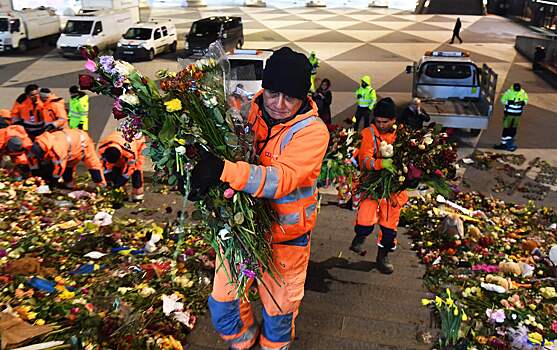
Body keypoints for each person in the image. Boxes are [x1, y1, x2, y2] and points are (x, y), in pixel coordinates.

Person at [188, 47, 329, 350]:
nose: (279, 104)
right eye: (273, 93)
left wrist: (222, 170)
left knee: (279, 313)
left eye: (290, 97)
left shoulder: (312, 132)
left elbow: (280, 179)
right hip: (241, 231)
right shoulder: (246, 111)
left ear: (304, 97)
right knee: (223, 306)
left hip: (287, 239)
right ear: (264, 87)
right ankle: (243, 342)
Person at [349, 97, 408, 274]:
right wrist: (381, 165)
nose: (381, 125)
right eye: (378, 121)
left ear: (393, 120)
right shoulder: (368, 133)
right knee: (365, 220)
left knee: (389, 228)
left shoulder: (402, 135)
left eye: (385, 122)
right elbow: (365, 159)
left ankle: (383, 256)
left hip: (393, 190)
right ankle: (360, 237)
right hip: (371, 186)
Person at [27, 129, 105, 189]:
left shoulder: (58, 150)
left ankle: (102, 186)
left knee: (94, 167)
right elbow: (32, 158)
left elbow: (60, 168)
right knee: (66, 170)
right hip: (70, 144)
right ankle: (69, 184)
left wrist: (53, 182)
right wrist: (35, 174)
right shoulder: (39, 143)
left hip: (82, 143)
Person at [98, 131, 146, 201]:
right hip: (120, 141)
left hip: (138, 144)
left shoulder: (130, 152)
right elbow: (104, 164)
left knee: (137, 170)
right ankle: (122, 193)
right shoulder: (103, 148)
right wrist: (107, 177)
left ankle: (138, 194)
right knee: (117, 168)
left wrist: (123, 179)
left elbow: (131, 168)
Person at [494, 83, 528, 152]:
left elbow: (526, 100)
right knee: (506, 128)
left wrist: (522, 103)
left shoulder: (523, 92)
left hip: (517, 115)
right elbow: (503, 100)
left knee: (513, 129)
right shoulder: (509, 92)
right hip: (509, 114)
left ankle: (509, 143)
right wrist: (509, 102)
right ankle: (503, 144)